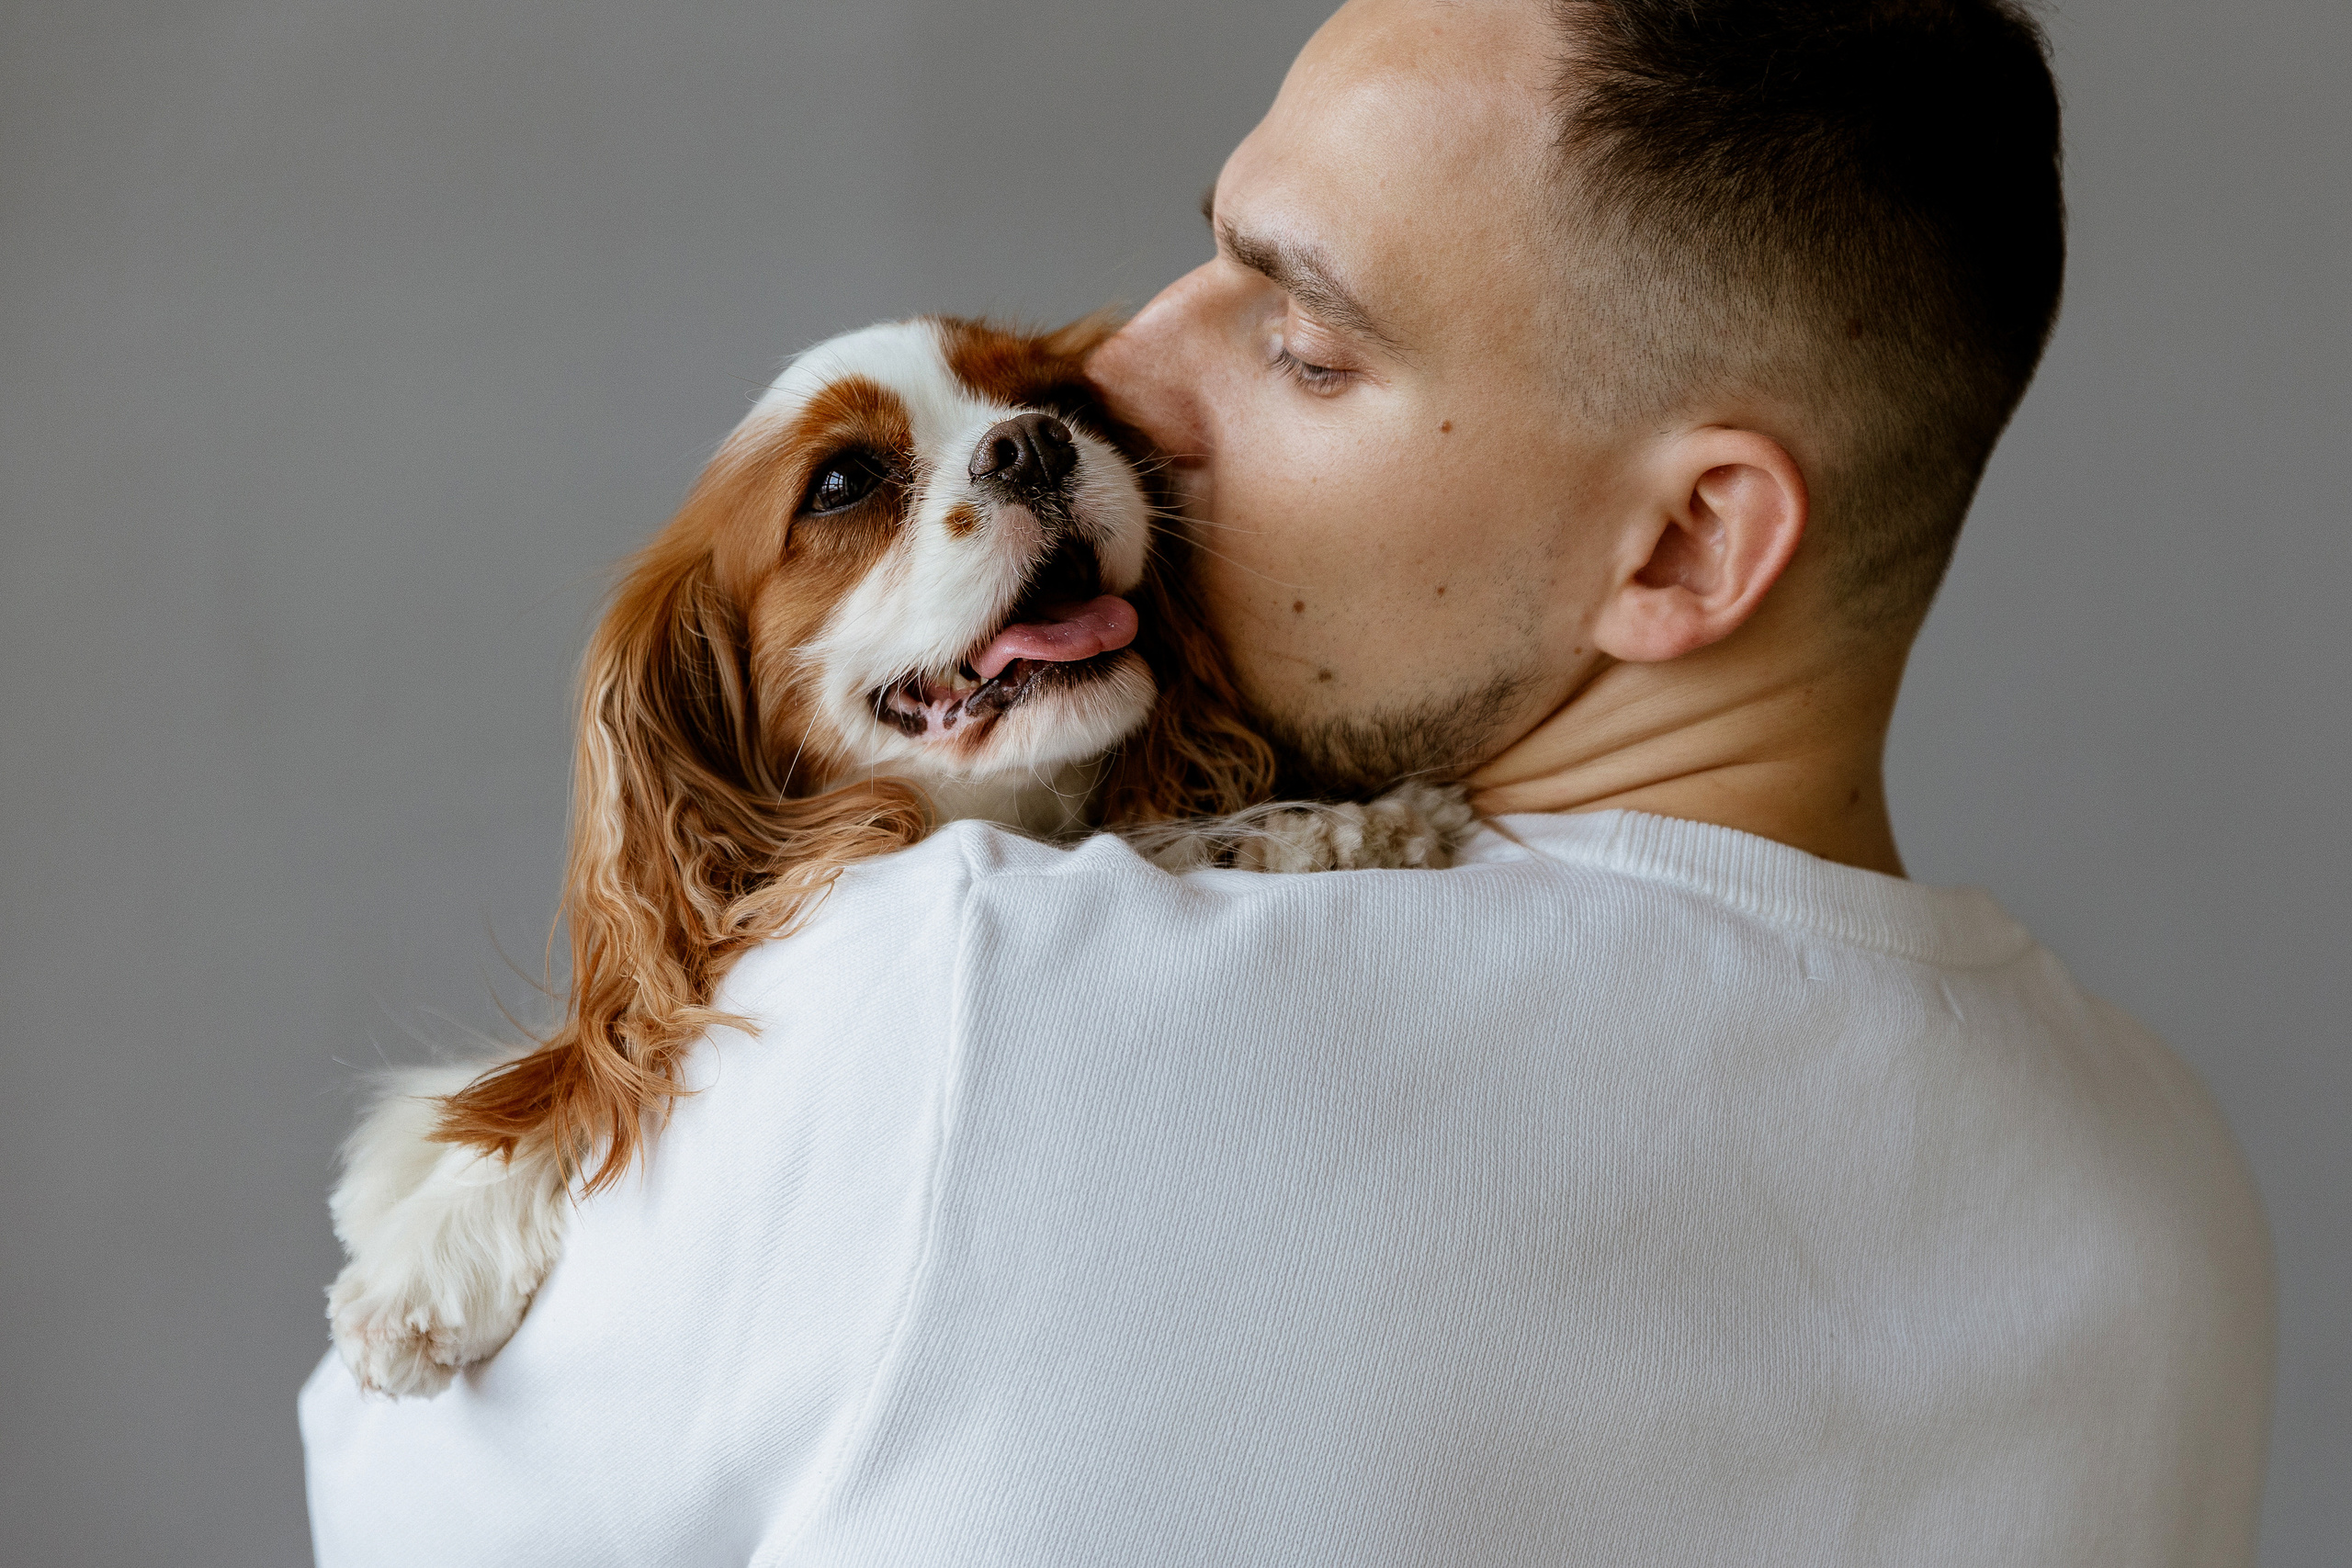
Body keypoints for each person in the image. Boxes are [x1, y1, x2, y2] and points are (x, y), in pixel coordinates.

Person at [300, 1, 2274, 1562]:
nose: (1125, 377)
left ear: (1680, 550)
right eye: (1202, 257)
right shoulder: (2170, 1204)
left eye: (1301, 338)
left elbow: (395, 1494)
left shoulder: (967, 992)